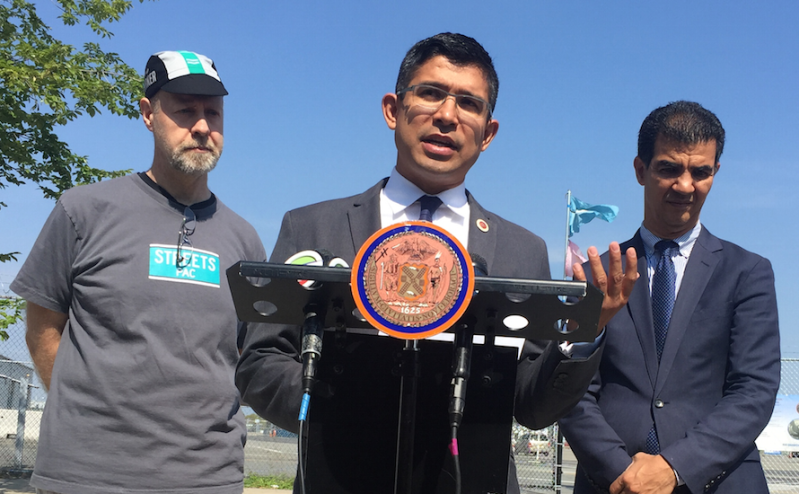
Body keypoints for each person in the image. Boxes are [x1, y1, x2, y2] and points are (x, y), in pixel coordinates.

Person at [235, 32, 636, 493]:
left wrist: (581, 334)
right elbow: (260, 363)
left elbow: (531, 404)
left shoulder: (521, 250)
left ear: (488, 132)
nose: (447, 115)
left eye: (469, 103)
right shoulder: (312, 228)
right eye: (430, 93)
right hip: (340, 477)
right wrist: (337, 402)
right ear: (393, 108)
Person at [11, 51, 266, 494]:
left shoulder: (244, 240)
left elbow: (249, 355)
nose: (202, 126)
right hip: (85, 477)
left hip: (207, 479)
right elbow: (42, 330)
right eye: (185, 110)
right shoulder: (83, 211)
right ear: (148, 114)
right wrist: (88, 421)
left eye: (213, 112)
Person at [559, 101, 780, 494]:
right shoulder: (600, 276)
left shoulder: (747, 272)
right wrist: (621, 471)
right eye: (669, 168)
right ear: (641, 170)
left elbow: (754, 391)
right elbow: (571, 388)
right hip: (613, 482)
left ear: (715, 173)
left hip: (719, 481)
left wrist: (675, 467)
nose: (685, 185)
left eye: (700, 172)